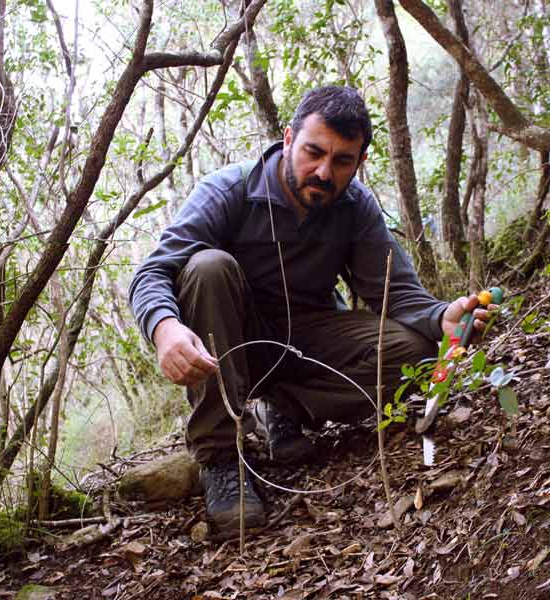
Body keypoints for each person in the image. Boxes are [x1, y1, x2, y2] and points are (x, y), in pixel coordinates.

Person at [128, 86, 493, 530]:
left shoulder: (356, 208)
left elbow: (396, 293)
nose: (323, 172)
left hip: (309, 339)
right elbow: (152, 273)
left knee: (414, 348)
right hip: (231, 345)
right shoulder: (229, 191)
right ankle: (222, 459)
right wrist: (164, 327)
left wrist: (442, 318)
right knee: (207, 267)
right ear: (288, 139)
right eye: (313, 152)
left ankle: (289, 408)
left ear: (359, 164)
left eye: (342, 162)